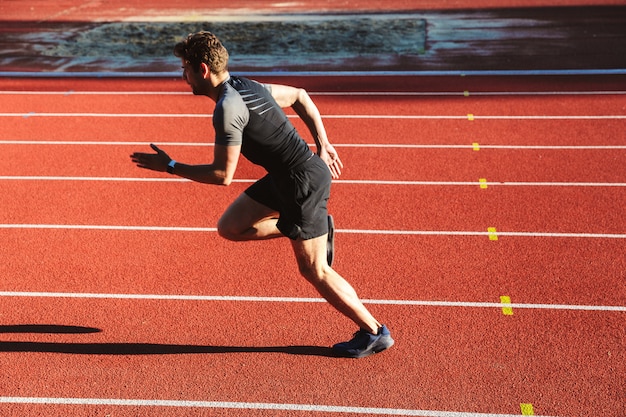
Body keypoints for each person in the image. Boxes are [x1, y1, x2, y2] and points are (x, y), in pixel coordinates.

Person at [130, 31, 393, 358]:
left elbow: (222, 175)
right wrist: (322, 144)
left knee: (314, 270)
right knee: (231, 226)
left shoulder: (227, 107)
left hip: (301, 183)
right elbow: (299, 95)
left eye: (184, 68)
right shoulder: (246, 85)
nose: (181, 75)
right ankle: (311, 227)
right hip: (286, 178)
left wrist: (169, 165)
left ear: (202, 69)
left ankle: (374, 331)